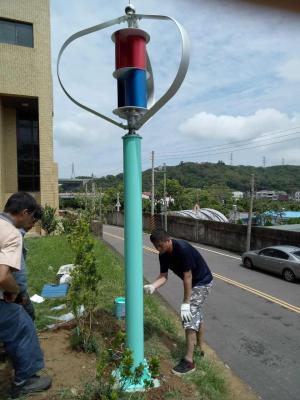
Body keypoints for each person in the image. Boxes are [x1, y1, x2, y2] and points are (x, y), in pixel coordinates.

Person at [0, 192, 52, 398]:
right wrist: (15, 292)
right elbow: (4, 277)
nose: (31, 223)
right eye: (32, 218)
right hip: (6, 295)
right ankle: (26, 380)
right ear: (24, 213)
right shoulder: (10, 233)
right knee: (23, 327)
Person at [144, 229, 213, 376]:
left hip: (202, 282)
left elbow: (188, 277)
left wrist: (186, 303)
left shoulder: (183, 249)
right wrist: (153, 286)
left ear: (168, 240)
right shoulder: (162, 254)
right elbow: (163, 276)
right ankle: (200, 348)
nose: (158, 249)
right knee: (196, 316)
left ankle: (189, 361)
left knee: (188, 318)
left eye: (160, 245)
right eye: (156, 246)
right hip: (194, 282)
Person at [13, 205, 43, 321]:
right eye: (33, 221)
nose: (33, 225)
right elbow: (15, 273)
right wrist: (21, 294)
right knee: (29, 317)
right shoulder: (14, 236)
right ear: (25, 214)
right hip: (13, 292)